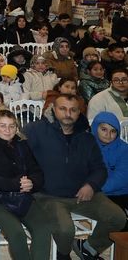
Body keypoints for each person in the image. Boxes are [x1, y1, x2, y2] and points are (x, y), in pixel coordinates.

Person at [24, 93, 126, 260]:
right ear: (54, 109)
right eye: (63, 109)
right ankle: (63, 254)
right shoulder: (35, 130)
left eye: (73, 110)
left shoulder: (86, 137)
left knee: (118, 217)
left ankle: (89, 249)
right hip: (48, 195)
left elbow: (99, 169)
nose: (68, 113)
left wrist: (91, 185)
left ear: (79, 112)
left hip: (82, 193)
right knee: (66, 230)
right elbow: (15, 152)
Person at [0, 110, 49, 260]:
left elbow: (36, 170)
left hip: (21, 197)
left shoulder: (21, 144)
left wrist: (32, 182)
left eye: (12, 126)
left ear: (16, 127)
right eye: (3, 126)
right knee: (16, 233)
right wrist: (13, 184)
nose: (8, 130)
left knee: (43, 228)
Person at [91, 112, 128, 212]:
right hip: (93, 193)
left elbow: (121, 178)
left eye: (113, 131)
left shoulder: (124, 150)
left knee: (116, 219)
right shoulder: (86, 146)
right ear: (95, 128)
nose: (108, 135)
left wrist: (93, 187)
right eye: (104, 130)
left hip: (119, 194)